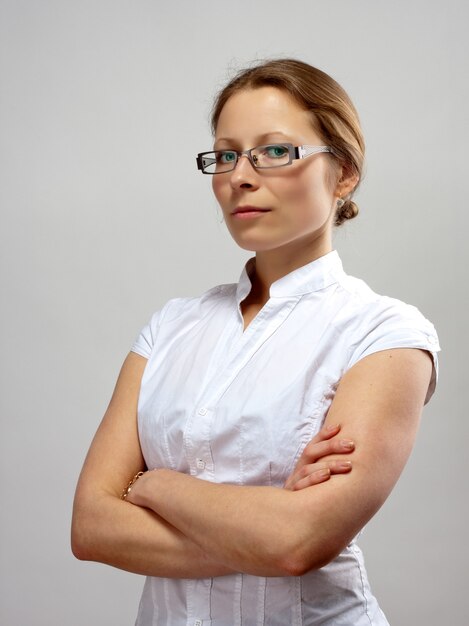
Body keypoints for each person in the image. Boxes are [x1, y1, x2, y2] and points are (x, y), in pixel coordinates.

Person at [71, 58, 440, 625]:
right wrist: (263, 530)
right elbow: (91, 526)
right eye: (226, 154)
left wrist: (154, 483)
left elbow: (297, 542)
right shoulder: (170, 327)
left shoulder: (385, 334)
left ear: (342, 174)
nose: (240, 175)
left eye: (275, 151)